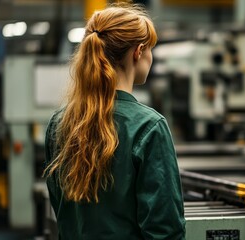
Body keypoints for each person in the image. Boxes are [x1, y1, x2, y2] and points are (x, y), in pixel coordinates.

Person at [43, 3, 186, 239]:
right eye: (151, 49)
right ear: (138, 52)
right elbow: (165, 229)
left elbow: (63, 212)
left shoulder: (59, 124)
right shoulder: (149, 127)